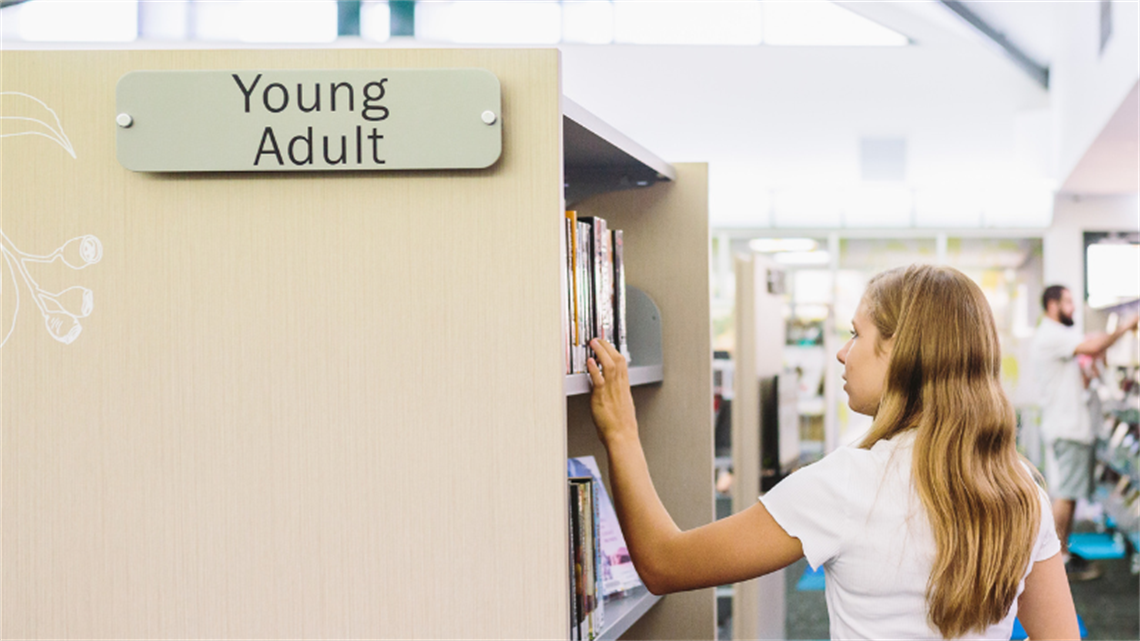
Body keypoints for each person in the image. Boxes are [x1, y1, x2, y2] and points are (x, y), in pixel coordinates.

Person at [586, 264, 1080, 640]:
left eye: (856, 334)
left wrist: (622, 432)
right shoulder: (1021, 490)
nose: (843, 353)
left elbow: (663, 564)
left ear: (900, 353)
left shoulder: (847, 483)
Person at [1029, 285, 1139, 581]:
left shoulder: (1059, 335)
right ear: (1052, 305)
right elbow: (1091, 347)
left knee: (1070, 492)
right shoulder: (1052, 334)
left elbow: (1088, 354)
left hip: (1074, 427)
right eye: (1067, 302)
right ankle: (1052, 559)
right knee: (1065, 493)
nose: (1074, 308)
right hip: (1068, 427)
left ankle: (1060, 553)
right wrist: (1126, 327)